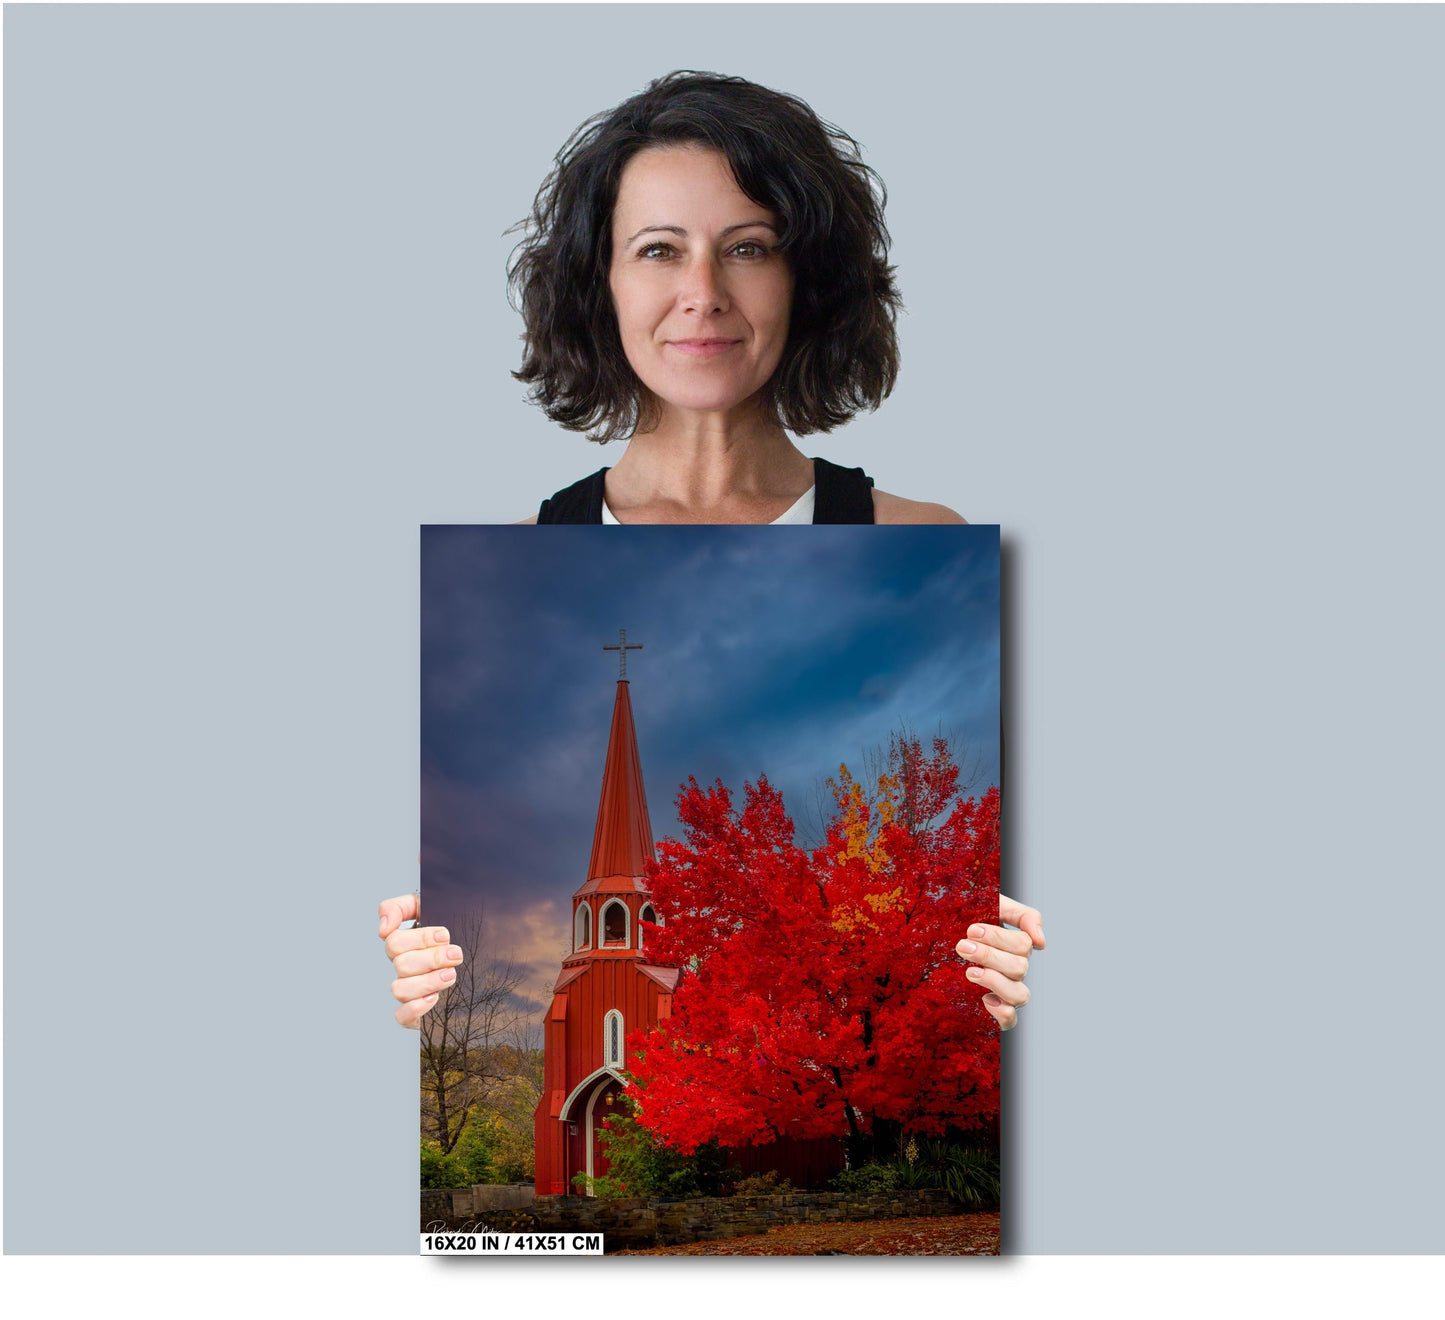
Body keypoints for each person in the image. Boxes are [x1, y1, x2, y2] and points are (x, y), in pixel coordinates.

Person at [383, 71, 1045, 1033]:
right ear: (599, 282)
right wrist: (399, 983)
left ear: (804, 280)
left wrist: (1016, 963)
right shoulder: (512, 555)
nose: (702, 294)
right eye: (658, 250)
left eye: (748, 248)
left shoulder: (920, 538)